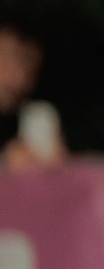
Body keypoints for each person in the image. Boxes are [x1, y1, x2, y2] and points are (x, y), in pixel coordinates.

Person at [0, 26, 66, 170]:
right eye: (6, 61)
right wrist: (6, 162)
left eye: (30, 72)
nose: (20, 79)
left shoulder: (34, 117)